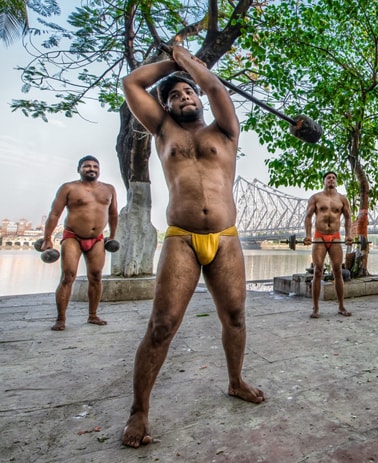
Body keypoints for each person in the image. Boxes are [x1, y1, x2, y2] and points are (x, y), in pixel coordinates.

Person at [121, 45, 264, 448]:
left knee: (235, 316)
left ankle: (235, 381)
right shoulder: (163, 131)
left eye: (188, 92)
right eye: (174, 96)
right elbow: (131, 82)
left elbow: (215, 88)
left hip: (226, 238)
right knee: (162, 325)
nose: (184, 97)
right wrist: (175, 62)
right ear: (166, 107)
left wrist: (191, 65)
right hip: (181, 238)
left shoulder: (225, 130)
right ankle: (139, 411)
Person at [41, 155, 118, 331]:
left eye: (95, 166)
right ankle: (61, 319)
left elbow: (113, 214)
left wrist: (112, 236)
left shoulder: (109, 189)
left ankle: (93, 315)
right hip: (72, 237)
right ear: (79, 169)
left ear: (99, 170)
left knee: (96, 276)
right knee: (68, 276)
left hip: (97, 239)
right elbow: (55, 214)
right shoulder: (69, 188)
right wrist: (47, 239)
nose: (91, 169)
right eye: (87, 166)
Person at [303, 171, 353, 318]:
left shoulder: (342, 199)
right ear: (324, 181)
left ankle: (341, 307)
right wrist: (307, 235)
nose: (331, 179)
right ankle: (316, 308)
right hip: (319, 236)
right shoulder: (316, 198)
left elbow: (348, 218)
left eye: (333, 178)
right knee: (318, 271)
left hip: (336, 236)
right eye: (328, 178)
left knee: (338, 271)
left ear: (336, 182)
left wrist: (349, 235)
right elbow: (308, 217)